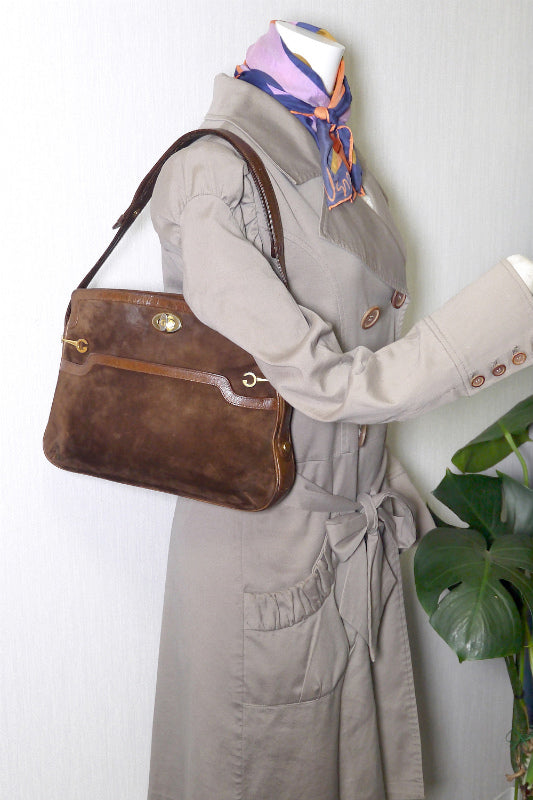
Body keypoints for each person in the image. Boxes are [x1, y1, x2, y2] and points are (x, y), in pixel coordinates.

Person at [146, 21, 533, 800]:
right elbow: (324, 381)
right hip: (266, 545)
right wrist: (509, 305)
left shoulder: (333, 155)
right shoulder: (213, 175)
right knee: (265, 771)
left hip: (344, 530)